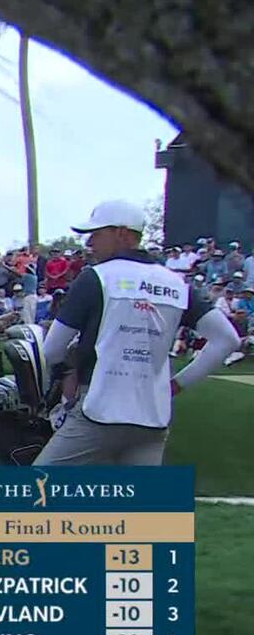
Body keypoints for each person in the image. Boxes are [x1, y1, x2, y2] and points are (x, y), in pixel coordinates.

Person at [36, 200, 241, 466]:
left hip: (98, 410)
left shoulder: (96, 277)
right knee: (138, 495)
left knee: (36, 489)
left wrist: (68, 372)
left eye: (97, 233)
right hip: (153, 418)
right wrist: (177, 385)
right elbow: (227, 339)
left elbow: (52, 350)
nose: (90, 242)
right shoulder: (176, 283)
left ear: (121, 233)